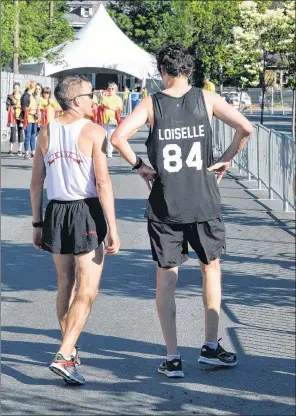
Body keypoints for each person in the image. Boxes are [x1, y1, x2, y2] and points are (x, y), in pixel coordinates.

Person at [111, 44, 253, 377]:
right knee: (211, 269)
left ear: (162, 70)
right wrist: (227, 158)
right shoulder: (206, 99)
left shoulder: (152, 103)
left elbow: (118, 138)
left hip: (165, 203)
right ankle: (209, 346)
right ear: (189, 70)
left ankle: (173, 357)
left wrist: (140, 167)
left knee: (166, 278)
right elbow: (245, 128)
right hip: (202, 200)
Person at [30, 75, 120, 385]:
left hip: (56, 210)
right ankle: (65, 353)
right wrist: (113, 228)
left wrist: (37, 223)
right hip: (84, 211)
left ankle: (68, 353)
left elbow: (36, 183)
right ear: (75, 100)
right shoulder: (94, 131)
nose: (94, 100)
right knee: (88, 289)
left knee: (64, 283)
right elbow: (103, 182)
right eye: (89, 95)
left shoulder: (46, 133)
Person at [101, 82, 123, 158]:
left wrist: (109, 107)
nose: (110, 90)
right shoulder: (106, 97)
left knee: (110, 136)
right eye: (109, 88)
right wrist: (103, 96)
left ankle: (109, 151)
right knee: (104, 135)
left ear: (115, 90)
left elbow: (119, 108)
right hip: (104, 118)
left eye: (112, 89)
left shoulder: (118, 99)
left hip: (112, 119)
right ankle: (103, 151)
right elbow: (102, 104)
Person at [21, 80, 38, 160]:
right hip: (28, 119)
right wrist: (32, 111)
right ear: (32, 87)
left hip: (34, 119)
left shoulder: (32, 95)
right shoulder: (26, 95)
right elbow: (24, 108)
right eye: (35, 86)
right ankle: (26, 153)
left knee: (33, 136)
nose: (36, 88)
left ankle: (33, 152)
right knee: (28, 136)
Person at [6, 82, 24, 156]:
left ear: (19, 88)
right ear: (13, 89)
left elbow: (25, 106)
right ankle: (11, 150)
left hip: (20, 116)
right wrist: (13, 106)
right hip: (12, 116)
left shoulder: (22, 97)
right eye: (14, 88)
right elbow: (7, 106)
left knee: (20, 132)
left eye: (17, 88)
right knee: (12, 132)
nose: (16, 89)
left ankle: (19, 150)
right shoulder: (10, 97)